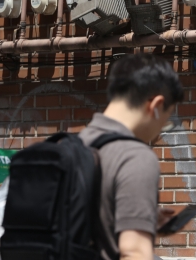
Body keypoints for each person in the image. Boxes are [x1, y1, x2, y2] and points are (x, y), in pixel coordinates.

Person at [79, 53, 184, 260]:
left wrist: (138, 217)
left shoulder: (74, 144)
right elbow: (134, 253)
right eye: (166, 119)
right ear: (155, 106)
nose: (161, 129)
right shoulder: (135, 157)